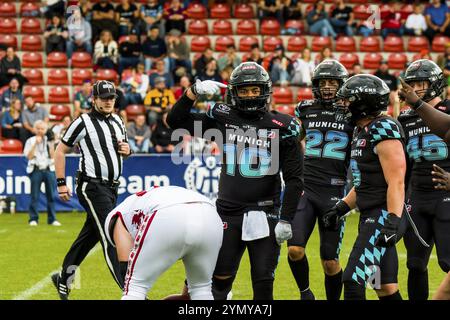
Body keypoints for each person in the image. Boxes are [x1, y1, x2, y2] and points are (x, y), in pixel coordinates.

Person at [167, 62, 304, 300]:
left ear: (265, 90)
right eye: (244, 90)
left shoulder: (284, 126)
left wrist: (286, 219)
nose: (250, 95)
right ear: (234, 92)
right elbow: (176, 120)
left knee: (263, 282)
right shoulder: (223, 117)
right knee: (219, 280)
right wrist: (193, 92)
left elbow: (294, 179)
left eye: (255, 90)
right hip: (228, 212)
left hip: (266, 212)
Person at [322, 74, 408, 300]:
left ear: (363, 103)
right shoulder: (361, 130)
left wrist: (392, 222)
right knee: (384, 286)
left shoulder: (383, 127)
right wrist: (340, 208)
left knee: (352, 279)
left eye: (348, 100)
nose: (343, 104)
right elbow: (363, 183)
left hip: (383, 216)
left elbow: (396, 181)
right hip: (369, 214)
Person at [51, 80, 131, 300]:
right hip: (91, 186)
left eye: (111, 98)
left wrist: (128, 150)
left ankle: (63, 278)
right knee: (112, 235)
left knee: (89, 236)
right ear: (94, 99)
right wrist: (60, 183)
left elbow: (122, 150)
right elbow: (60, 151)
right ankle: (131, 292)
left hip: (111, 187)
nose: (108, 102)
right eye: (103, 98)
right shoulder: (83, 122)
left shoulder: (117, 120)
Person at [289, 60, 352, 301]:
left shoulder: (351, 113)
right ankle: (305, 293)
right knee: (295, 249)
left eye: (332, 83)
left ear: (341, 85)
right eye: (322, 83)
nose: (327, 87)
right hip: (306, 188)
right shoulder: (304, 109)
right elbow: (293, 140)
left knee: (330, 261)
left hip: (334, 192)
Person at [104, 186, 223, 300]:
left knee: (135, 288)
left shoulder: (116, 217)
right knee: (201, 289)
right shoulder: (144, 201)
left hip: (166, 213)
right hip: (210, 213)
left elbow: (125, 266)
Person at [396, 59, 450, 300]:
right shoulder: (405, 118)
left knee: (448, 262)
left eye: (421, 83)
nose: (416, 88)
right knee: (415, 264)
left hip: (446, 194)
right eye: (413, 83)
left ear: (436, 84)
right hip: (417, 197)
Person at [23, 120, 60, 227]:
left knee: (51, 196)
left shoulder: (50, 140)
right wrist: (35, 144)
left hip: (49, 169)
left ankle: (52, 219)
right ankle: (33, 219)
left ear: (45, 130)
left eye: (42, 129)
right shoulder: (30, 140)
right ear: (34, 129)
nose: (40, 131)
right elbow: (29, 156)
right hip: (36, 169)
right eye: (38, 128)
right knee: (34, 196)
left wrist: (52, 143)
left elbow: (53, 156)